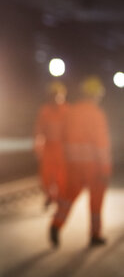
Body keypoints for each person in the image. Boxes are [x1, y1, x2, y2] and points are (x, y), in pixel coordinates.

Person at [50, 76, 112, 248]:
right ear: (95, 95)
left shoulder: (71, 111)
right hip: (93, 165)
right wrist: (105, 169)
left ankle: (56, 224)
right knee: (96, 200)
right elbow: (101, 144)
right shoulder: (96, 114)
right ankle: (95, 235)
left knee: (68, 196)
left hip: (73, 164)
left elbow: (62, 138)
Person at [34, 81, 69, 208]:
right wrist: (38, 147)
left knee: (61, 175)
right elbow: (39, 131)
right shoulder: (45, 111)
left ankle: (60, 197)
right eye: (53, 95)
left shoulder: (67, 111)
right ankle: (50, 196)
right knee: (46, 175)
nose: (55, 97)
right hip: (49, 147)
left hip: (62, 148)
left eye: (57, 94)